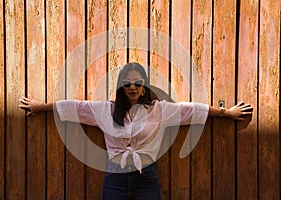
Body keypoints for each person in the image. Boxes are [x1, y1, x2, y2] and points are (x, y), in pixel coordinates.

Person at [19, 62, 253, 200]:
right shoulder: (105, 110)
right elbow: (73, 107)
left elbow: (192, 110)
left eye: (138, 83)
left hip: (146, 177)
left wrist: (226, 112)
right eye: (128, 83)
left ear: (144, 87)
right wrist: (41, 107)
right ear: (121, 86)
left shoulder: (160, 111)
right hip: (114, 177)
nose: (132, 87)